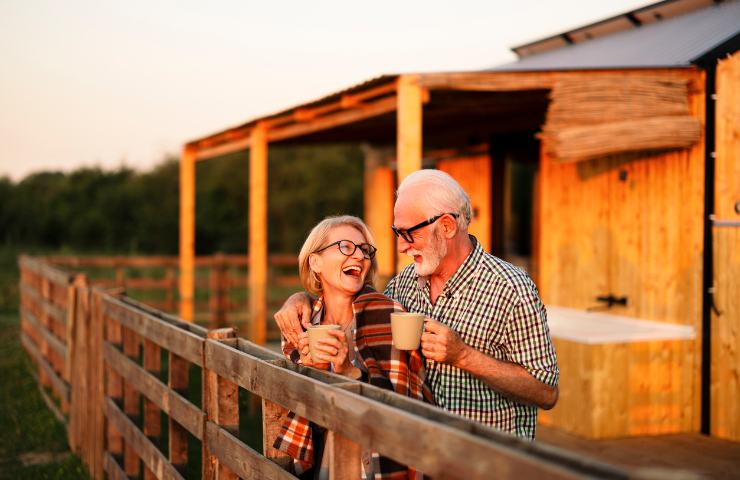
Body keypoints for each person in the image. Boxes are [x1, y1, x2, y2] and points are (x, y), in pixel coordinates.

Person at [275, 170, 559, 440]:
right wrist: (301, 300)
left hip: (485, 463)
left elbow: (546, 392)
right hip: (418, 460)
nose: (401, 246)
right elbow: (349, 303)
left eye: (408, 233)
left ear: (446, 226)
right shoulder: (404, 284)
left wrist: (463, 356)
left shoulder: (511, 288)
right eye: (397, 233)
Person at [272, 215, 432, 479]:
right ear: (315, 261)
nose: (359, 256)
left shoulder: (387, 313)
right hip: (324, 458)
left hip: (376, 463)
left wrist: (349, 372)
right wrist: (316, 373)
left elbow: (405, 405)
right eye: (346, 246)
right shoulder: (302, 322)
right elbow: (300, 410)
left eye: (365, 250)